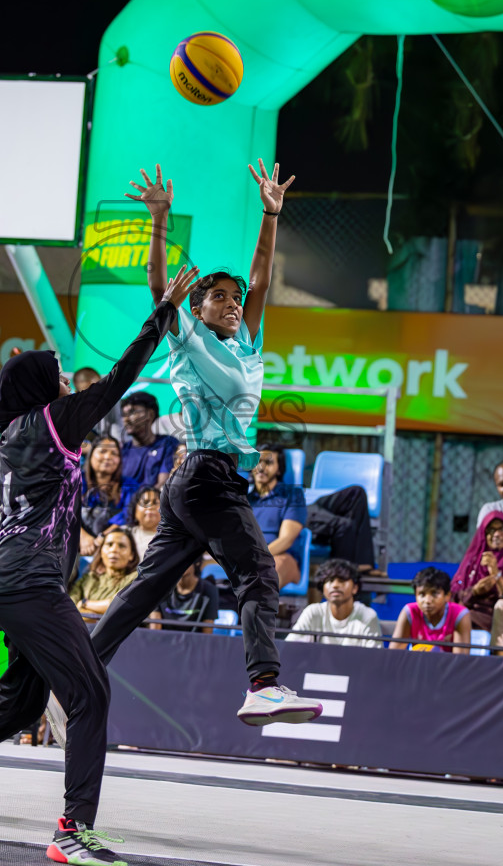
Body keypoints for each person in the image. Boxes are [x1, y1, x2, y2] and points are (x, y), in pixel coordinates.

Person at [0, 267, 195, 865]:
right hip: (28, 579)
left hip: (13, 578)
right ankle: (71, 830)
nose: (64, 377)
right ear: (38, 388)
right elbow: (121, 377)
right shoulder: (54, 421)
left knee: (25, 701)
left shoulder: (5, 446)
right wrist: (161, 313)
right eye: (55, 372)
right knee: (91, 694)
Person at [92, 160, 325, 728]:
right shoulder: (187, 337)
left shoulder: (246, 340)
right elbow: (158, 290)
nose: (232, 300)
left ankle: (80, 661)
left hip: (193, 485)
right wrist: (159, 220)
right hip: (206, 476)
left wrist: (271, 213)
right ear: (197, 308)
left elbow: (263, 276)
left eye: (234, 295)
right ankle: (264, 684)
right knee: (258, 574)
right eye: (218, 295)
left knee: (146, 585)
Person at [246, 444, 307, 590]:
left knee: (266, 574)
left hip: (282, 557)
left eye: (269, 462)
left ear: (279, 469)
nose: (261, 467)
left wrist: (253, 558)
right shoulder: (244, 499)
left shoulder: (293, 495)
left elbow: (286, 540)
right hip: (245, 558)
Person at [285, 559, 381, 648]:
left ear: (355, 588)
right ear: (323, 588)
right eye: (330, 580)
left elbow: (375, 661)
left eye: (342, 580)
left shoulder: (368, 616)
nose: (335, 585)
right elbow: (290, 649)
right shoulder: (312, 612)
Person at [450, 509, 503, 630]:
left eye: (502, 529)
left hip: (499, 620)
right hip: (468, 615)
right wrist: (474, 591)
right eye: (491, 530)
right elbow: (454, 595)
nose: (497, 534)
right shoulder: (471, 563)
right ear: (483, 535)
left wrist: (496, 574)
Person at [390, 566, 470, 652]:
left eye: (434, 593)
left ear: (447, 596)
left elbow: (460, 660)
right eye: (422, 594)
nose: (427, 601)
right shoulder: (409, 612)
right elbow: (393, 654)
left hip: (447, 665)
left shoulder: (459, 615)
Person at [69, 527, 140, 620]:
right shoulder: (89, 577)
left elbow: (118, 607)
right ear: (101, 551)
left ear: (131, 555)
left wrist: (84, 603)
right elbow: (69, 605)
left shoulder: (136, 579)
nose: (114, 550)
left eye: (122, 546)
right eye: (109, 544)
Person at [118, 391, 181, 490]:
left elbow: (162, 485)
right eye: (124, 414)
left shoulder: (168, 444)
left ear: (150, 414)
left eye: (132, 412)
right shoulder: (122, 451)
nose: (126, 419)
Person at [79, 437, 132, 552]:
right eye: (103, 451)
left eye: (114, 453)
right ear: (91, 454)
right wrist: (82, 536)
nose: (108, 457)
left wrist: (102, 538)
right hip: (74, 540)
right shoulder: (75, 480)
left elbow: (127, 516)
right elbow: (64, 512)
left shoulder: (129, 485)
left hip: (112, 545)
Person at [150, 562, 220, 632]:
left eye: (185, 558)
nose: (181, 562)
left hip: (195, 642)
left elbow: (207, 635)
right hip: (164, 641)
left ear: (196, 562)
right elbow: (154, 632)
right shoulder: (159, 588)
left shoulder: (209, 590)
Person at [74, 365, 125, 445]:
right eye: (89, 394)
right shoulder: (73, 410)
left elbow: (118, 442)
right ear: (77, 393)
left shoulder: (114, 403)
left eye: (98, 390)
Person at [125, 485, 162, 560]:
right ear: (134, 509)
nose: (150, 506)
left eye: (155, 503)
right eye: (145, 503)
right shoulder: (123, 533)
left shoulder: (171, 538)